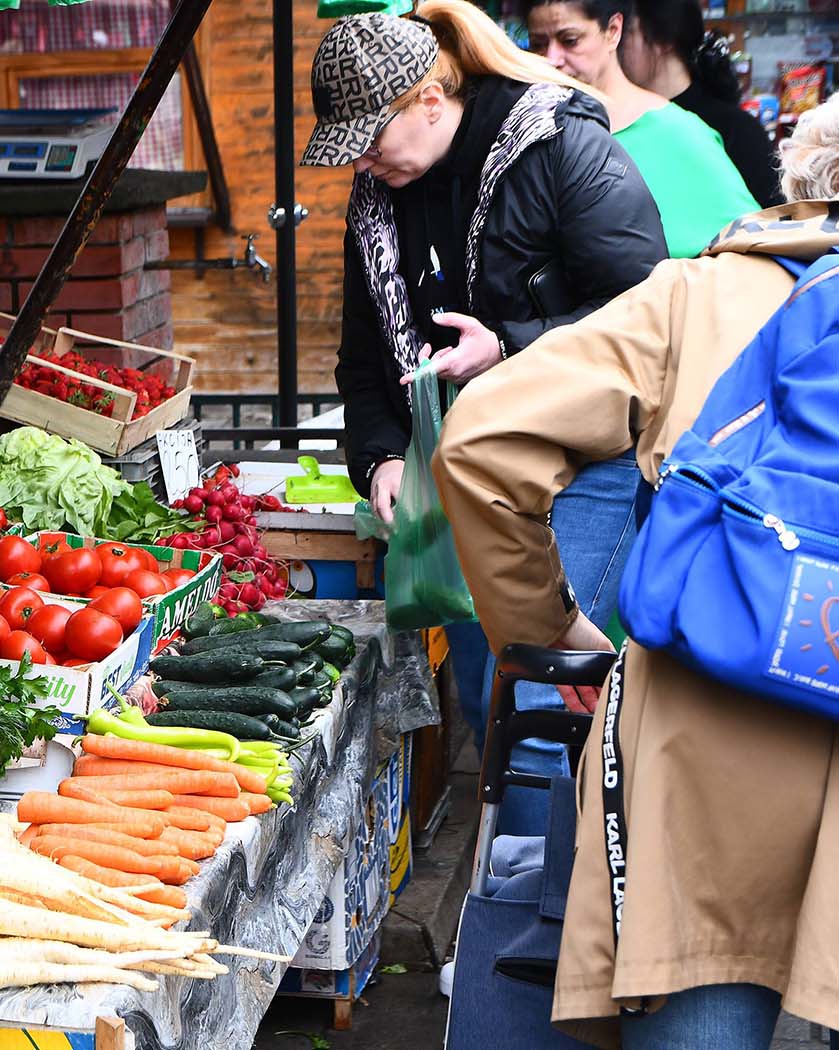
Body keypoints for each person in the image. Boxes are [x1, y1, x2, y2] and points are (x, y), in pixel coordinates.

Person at [433, 98, 839, 1050]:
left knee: (702, 991)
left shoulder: (697, 294)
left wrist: (551, 635)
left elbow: (483, 440)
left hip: (712, 713)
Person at [305, 0, 666, 833]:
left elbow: (649, 310)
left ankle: (536, 930)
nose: (360, 163)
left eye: (369, 139)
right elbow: (364, 366)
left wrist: (507, 348)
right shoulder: (376, 203)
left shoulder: (558, 144)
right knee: (488, 697)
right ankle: (540, 887)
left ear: (429, 100)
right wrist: (381, 459)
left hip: (585, 458)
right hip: (461, 473)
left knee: (535, 685)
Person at [527, 0, 760, 258]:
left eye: (570, 40)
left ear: (613, 30)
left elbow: (748, 247)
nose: (551, 59)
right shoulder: (529, 134)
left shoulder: (680, 133)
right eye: (538, 44)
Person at [621, 1, 781, 207]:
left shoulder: (736, 130)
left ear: (663, 39)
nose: (617, 46)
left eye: (628, 32)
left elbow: (775, 220)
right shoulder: (623, 121)